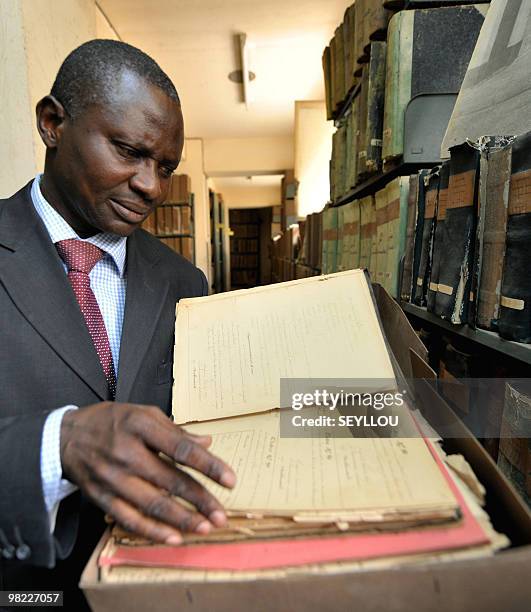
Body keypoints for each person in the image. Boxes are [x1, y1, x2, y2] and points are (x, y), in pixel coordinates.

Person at [0, 39, 236, 606]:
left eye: (166, 167)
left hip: (156, 585)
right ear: (53, 123)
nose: (152, 186)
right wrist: (58, 444)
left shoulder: (185, 283)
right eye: (129, 151)